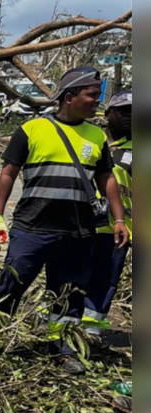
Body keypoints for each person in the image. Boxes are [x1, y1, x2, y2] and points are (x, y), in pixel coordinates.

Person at [0, 68, 130, 375]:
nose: (96, 102)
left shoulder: (96, 136)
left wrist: (119, 219)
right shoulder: (31, 130)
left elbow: (106, 179)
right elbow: (7, 174)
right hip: (32, 228)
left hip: (77, 232)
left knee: (69, 293)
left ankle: (61, 348)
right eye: (91, 95)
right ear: (70, 97)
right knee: (12, 285)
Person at [83, 91, 133, 336]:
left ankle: (90, 331)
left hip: (117, 230)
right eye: (124, 111)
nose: (130, 117)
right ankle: (58, 323)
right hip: (79, 224)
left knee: (105, 280)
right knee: (70, 274)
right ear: (108, 113)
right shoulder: (91, 140)